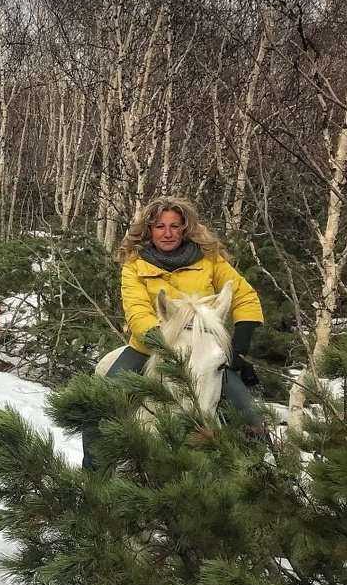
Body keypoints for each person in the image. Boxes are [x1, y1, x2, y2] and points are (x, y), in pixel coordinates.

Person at [89, 195, 266, 468]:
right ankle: (92, 475)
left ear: (185, 228)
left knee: (250, 416)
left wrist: (238, 346)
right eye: (160, 226)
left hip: (204, 347)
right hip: (149, 347)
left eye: (175, 225)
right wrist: (164, 343)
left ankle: (256, 479)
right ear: (149, 230)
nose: (168, 233)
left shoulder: (210, 260)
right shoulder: (134, 265)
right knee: (99, 405)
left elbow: (244, 296)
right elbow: (137, 311)